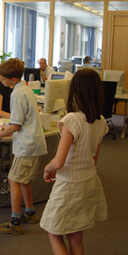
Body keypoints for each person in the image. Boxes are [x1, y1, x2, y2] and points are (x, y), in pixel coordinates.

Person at [40, 68, 108, 255]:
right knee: (76, 237)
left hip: (69, 185)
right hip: (89, 182)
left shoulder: (72, 120)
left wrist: (47, 168)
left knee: (54, 233)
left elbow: (59, 162)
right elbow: (94, 159)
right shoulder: (100, 121)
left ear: (75, 91)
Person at [0, 58, 47, 235]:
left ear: (13, 79)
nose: (1, 81)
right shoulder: (25, 88)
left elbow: (16, 126)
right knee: (22, 180)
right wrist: (6, 129)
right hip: (33, 143)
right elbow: (19, 121)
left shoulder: (17, 93)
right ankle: (29, 213)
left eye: (3, 78)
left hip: (27, 146)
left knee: (13, 179)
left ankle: (15, 222)